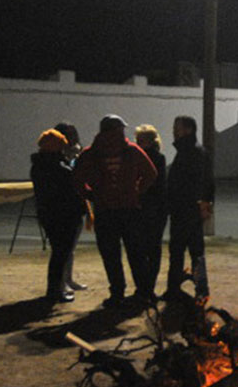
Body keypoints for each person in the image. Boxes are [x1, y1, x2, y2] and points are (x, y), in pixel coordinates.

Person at [72, 114, 156, 307]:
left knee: (111, 255)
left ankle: (117, 292)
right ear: (118, 130)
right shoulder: (132, 151)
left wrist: (91, 194)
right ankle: (144, 292)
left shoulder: (90, 153)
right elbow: (151, 174)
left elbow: (77, 180)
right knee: (136, 253)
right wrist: (136, 191)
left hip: (104, 210)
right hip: (129, 210)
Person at [30, 129, 85, 302]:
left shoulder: (39, 165)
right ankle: (56, 291)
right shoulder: (57, 167)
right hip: (63, 216)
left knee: (59, 253)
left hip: (49, 214)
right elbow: (73, 184)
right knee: (61, 254)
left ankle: (57, 288)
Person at [165, 115, 213, 300]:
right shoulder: (195, 151)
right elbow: (208, 181)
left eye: (177, 127)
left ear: (188, 130)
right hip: (189, 210)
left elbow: (199, 182)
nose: (174, 131)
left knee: (179, 251)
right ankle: (200, 288)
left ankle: (176, 288)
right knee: (195, 251)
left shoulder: (190, 152)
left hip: (185, 210)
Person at [133, 124, 167, 304]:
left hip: (148, 208)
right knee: (152, 250)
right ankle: (148, 288)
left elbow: (155, 184)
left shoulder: (146, 158)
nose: (138, 143)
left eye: (141, 140)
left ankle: (144, 288)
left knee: (144, 250)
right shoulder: (159, 158)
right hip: (155, 209)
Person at [53, 121, 88, 292]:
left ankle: (68, 279)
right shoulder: (57, 159)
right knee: (63, 249)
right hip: (63, 207)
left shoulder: (74, 155)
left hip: (75, 205)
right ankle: (61, 283)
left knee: (70, 248)